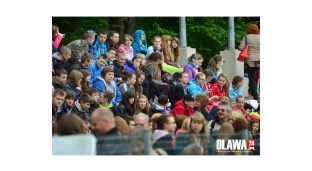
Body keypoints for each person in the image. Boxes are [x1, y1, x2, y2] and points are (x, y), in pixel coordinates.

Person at [239, 24, 260, 101]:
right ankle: (251, 91)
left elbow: (241, 47)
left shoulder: (247, 37)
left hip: (250, 59)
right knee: (254, 76)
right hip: (259, 59)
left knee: (252, 78)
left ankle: (254, 95)